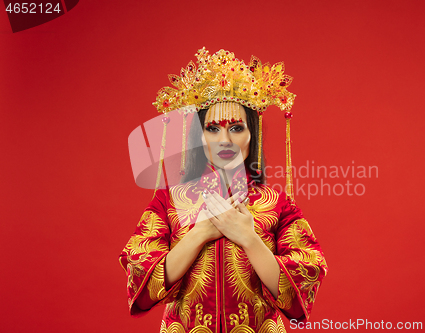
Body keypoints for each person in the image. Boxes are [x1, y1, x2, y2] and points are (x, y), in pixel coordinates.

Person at [119, 48, 328, 333]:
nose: (225, 140)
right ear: (199, 135)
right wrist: (200, 232)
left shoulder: (277, 204)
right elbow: (143, 284)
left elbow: (301, 287)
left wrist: (249, 238)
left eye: (237, 128)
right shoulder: (169, 200)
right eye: (213, 129)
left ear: (253, 133)